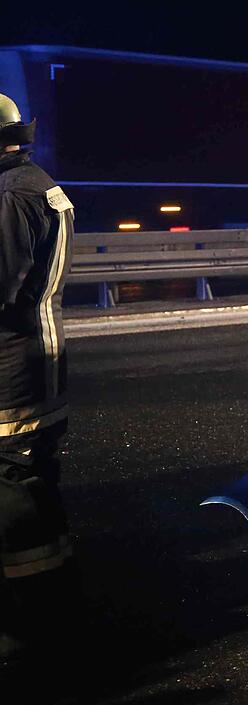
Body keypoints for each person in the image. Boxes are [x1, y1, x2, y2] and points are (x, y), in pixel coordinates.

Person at [0, 92, 77, 660]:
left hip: (11, 367)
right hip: (35, 359)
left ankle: (29, 625)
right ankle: (55, 602)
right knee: (34, 480)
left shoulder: (9, 194)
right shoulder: (33, 182)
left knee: (13, 489)